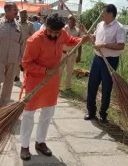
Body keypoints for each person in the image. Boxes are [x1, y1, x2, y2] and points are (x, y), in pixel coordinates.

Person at [19, 13, 91, 160]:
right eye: (51, 31)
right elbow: (26, 64)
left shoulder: (62, 33)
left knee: (48, 113)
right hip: (35, 81)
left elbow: (70, 40)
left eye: (56, 32)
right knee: (28, 114)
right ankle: (24, 146)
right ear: (46, 26)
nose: (53, 35)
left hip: (52, 82)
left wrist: (81, 40)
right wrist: (45, 71)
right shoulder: (34, 40)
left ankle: (40, 142)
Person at [84, 4, 126, 124]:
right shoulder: (100, 25)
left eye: (104, 13)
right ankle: (91, 112)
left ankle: (103, 114)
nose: (101, 15)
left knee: (106, 87)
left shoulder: (119, 28)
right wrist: (87, 36)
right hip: (97, 59)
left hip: (110, 61)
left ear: (111, 14)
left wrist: (103, 45)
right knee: (92, 85)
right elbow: (95, 37)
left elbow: (121, 45)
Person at [0, 2, 24, 112]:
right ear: (7, 10)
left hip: (13, 60)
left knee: (8, 85)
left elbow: (22, 44)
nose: (16, 11)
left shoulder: (19, 26)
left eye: (16, 9)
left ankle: (3, 107)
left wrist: (20, 59)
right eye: (14, 9)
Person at [60, 14, 83, 90]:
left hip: (72, 53)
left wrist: (79, 55)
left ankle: (68, 87)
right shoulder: (63, 29)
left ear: (76, 21)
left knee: (69, 71)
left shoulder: (78, 30)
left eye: (74, 19)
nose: (72, 21)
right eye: (70, 19)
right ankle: (57, 86)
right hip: (63, 52)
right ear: (68, 20)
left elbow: (80, 43)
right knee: (59, 70)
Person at [14, 9, 34, 82]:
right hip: (17, 45)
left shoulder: (30, 24)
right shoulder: (16, 23)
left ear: (26, 15)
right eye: (21, 14)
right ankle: (16, 76)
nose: (23, 16)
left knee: (25, 62)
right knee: (17, 62)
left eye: (24, 14)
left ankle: (25, 77)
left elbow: (33, 35)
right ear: (19, 15)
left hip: (26, 46)